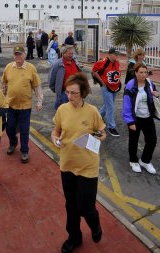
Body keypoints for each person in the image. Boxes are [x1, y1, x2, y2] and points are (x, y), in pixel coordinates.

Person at [51, 73, 106, 252]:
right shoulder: (62, 109)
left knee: (85, 206)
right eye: (67, 92)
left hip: (87, 166)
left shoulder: (92, 111)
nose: (70, 96)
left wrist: (96, 137)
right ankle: (74, 237)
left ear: (83, 93)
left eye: (74, 93)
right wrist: (54, 139)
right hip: (67, 164)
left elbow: (102, 133)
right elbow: (56, 131)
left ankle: (95, 224)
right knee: (71, 205)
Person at [1, 46, 43, 163]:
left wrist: (39, 102)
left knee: (24, 130)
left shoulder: (31, 68)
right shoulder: (9, 67)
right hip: (11, 105)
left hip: (25, 106)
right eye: (16, 54)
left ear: (24, 55)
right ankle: (13, 143)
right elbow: (4, 83)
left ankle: (24, 150)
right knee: (9, 128)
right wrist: (2, 99)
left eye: (20, 54)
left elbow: (37, 86)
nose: (17, 56)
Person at [123, 63, 159, 174]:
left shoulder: (149, 83)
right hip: (135, 118)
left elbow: (155, 93)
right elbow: (127, 105)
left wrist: (156, 94)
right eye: (141, 72)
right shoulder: (130, 86)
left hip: (148, 116)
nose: (144, 75)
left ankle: (145, 160)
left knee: (152, 140)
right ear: (136, 73)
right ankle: (133, 160)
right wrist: (130, 122)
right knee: (134, 140)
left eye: (145, 72)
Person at [91, 48, 122, 137]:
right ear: (110, 54)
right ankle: (111, 126)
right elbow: (94, 71)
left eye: (117, 54)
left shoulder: (117, 62)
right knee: (110, 107)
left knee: (108, 104)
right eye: (115, 54)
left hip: (115, 87)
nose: (117, 56)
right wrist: (101, 81)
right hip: (106, 88)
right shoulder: (103, 62)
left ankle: (98, 117)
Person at [48, 45, 82, 109]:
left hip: (75, 92)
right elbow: (51, 79)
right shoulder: (58, 64)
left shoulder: (74, 62)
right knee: (63, 110)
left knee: (74, 110)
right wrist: (58, 91)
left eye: (72, 53)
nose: (71, 55)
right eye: (69, 54)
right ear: (63, 54)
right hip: (64, 93)